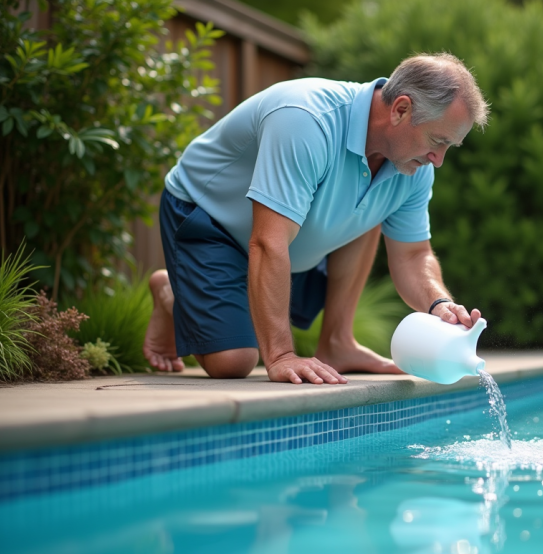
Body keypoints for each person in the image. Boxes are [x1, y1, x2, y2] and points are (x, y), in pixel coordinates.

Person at [142, 53, 489, 384]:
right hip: (210, 218)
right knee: (234, 361)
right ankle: (174, 293)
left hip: (289, 236)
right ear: (401, 109)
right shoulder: (307, 119)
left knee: (372, 206)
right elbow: (267, 240)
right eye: (437, 140)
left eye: (449, 147)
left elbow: (413, 255)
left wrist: (440, 303)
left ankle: (338, 341)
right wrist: (280, 356)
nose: (438, 159)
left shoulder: (412, 166)